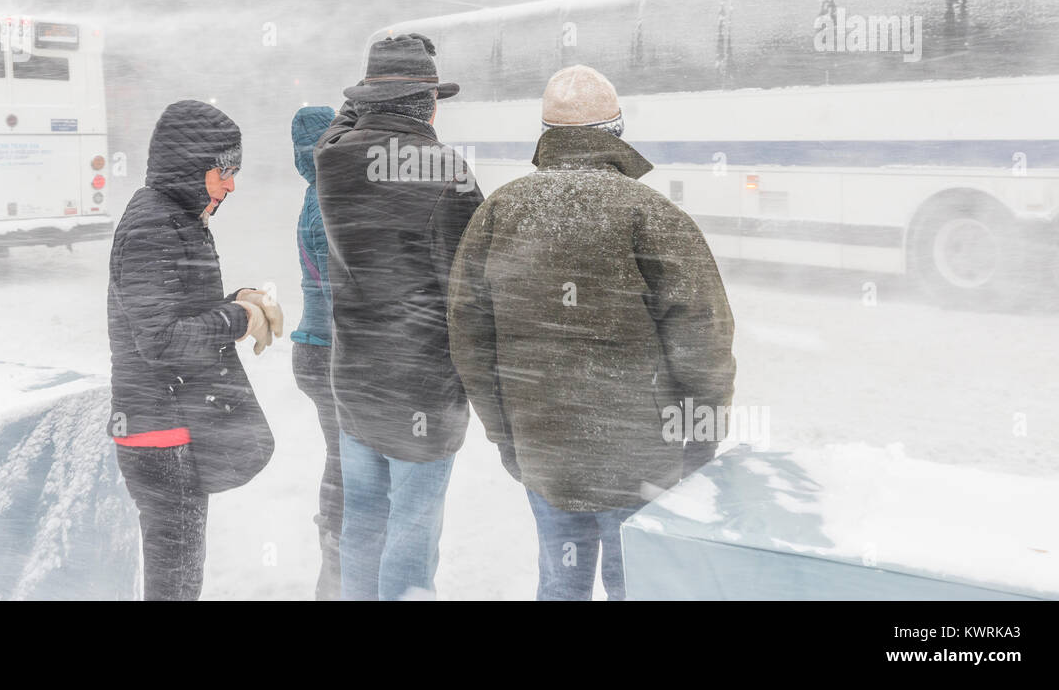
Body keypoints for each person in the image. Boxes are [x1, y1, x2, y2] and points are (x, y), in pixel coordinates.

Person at [447, 65, 737, 601]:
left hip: (544, 450)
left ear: (546, 136)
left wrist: (506, 435)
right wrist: (701, 439)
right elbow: (703, 338)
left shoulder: (497, 213)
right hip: (643, 455)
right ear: (617, 132)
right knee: (640, 585)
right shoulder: (651, 214)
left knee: (560, 584)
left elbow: (469, 339)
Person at [314, 33, 483, 600]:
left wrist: (373, 83)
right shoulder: (445, 171)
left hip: (356, 382)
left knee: (363, 524)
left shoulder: (332, 160)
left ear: (366, 99)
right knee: (412, 540)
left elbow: (341, 127)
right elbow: (474, 289)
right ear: (426, 104)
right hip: (422, 394)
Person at [107, 99, 282, 601]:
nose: (231, 185)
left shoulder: (174, 218)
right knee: (176, 585)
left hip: (170, 424)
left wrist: (236, 302)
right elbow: (161, 340)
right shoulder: (153, 225)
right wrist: (238, 318)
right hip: (160, 433)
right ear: (189, 168)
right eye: (223, 172)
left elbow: (173, 313)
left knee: (179, 577)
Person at [289, 104, 342, 600]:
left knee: (341, 459)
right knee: (347, 467)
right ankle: (335, 580)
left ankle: (336, 570)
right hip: (328, 351)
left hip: (313, 350)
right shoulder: (329, 200)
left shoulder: (313, 193)